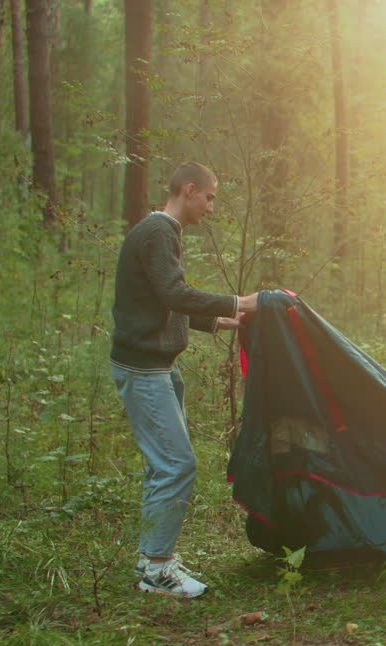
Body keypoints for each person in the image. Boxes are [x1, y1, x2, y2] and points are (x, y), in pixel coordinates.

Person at [110, 162, 259, 598]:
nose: (211, 207)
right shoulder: (158, 232)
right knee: (177, 464)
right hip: (145, 368)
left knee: (166, 465)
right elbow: (173, 293)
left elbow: (163, 299)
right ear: (189, 190)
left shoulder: (162, 232)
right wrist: (240, 299)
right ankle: (157, 570)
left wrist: (219, 320)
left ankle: (150, 557)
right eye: (209, 197)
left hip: (158, 365)